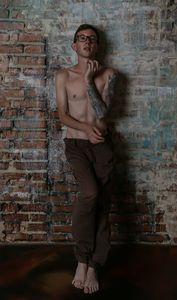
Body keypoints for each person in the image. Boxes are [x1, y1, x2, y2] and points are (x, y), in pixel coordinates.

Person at [55, 24, 117, 294]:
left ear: (97, 45)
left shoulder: (110, 75)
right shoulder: (63, 76)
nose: (87, 42)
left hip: (102, 145)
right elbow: (63, 116)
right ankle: (81, 258)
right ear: (74, 45)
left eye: (92, 38)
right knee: (90, 194)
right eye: (81, 38)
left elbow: (103, 113)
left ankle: (94, 264)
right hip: (76, 144)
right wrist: (84, 130)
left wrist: (90, 81)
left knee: (102, 202)